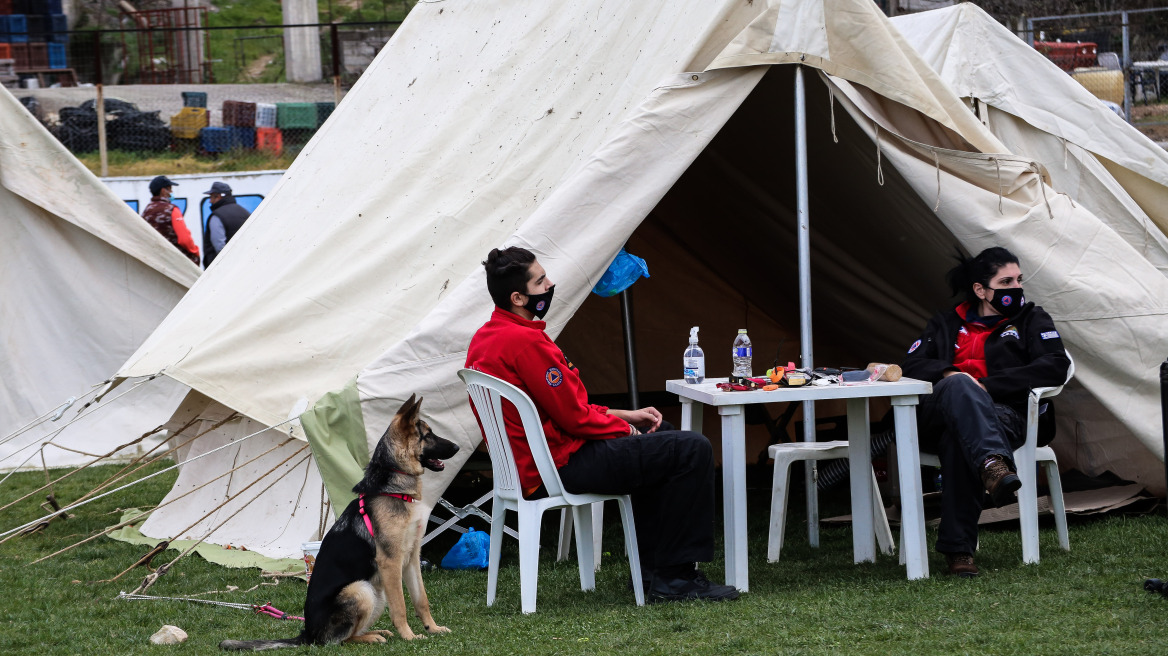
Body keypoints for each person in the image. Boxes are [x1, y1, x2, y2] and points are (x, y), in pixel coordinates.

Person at [465, 246, 739, 603]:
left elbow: (562, 407)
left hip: (529, 465)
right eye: (540, 280)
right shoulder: (527, 342)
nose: (551, 284)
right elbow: (575, 418)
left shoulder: (485, 338)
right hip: (559, 466)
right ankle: (674, 578)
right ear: (518, 297)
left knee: (665, 435)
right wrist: (623, 429)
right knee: (692, 448)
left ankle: (654, 572)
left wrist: (625, 416)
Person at [902, 246, 1070, 578]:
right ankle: (993, 464)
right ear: (980, 289)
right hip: (940, 412)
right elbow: (913, 364)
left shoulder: (1031, 319)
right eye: (1005, 281)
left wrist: (989, 386)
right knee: (959, 386)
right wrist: (952, 376)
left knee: (958, 441)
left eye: (1019, 280)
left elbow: (1055, 366)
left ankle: (959, 552)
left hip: (1006, 413)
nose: (1016, 288)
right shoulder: (946, 322)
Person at [141, 175, 199, 265]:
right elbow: (184, 239)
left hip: (154, 261)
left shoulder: (147, 210)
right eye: (170, 189)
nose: (171, 192)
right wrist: (195, 251)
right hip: (175, 262)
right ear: (163, 191)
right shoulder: (172, 209)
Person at [201, 181, 251, 268]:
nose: (210, 201)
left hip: (224, 268)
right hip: (245, 264)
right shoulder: (244, 212)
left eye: (211, 197)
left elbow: (219, 247)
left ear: (218, 196)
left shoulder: (217, 216)